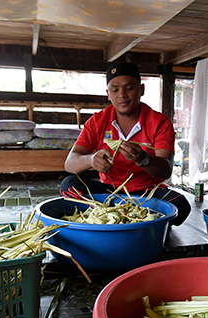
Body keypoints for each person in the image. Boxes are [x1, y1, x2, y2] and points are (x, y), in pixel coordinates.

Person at [61, 61, 190, 225]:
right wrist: (91, 160)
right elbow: (69, 163)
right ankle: (140, 221)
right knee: (69, 185)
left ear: (141, 90)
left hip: (147, 194)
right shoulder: (97, 121)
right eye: (115, 90)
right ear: (108, 94)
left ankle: (109, 218)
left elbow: (166, 170)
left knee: (180, 204)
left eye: (129, 88)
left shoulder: (159, 122)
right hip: (109, 193)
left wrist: (143, 159)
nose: (122, 95)